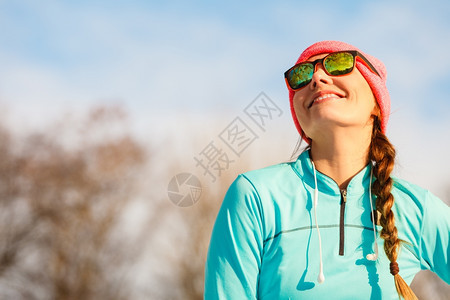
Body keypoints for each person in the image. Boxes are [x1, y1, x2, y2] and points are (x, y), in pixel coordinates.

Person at [204, 40, 450, 299]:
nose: (318, 78)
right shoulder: (256, 196)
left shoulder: (416, 209)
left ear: (376, 103)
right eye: (302, 75)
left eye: (339, 63)